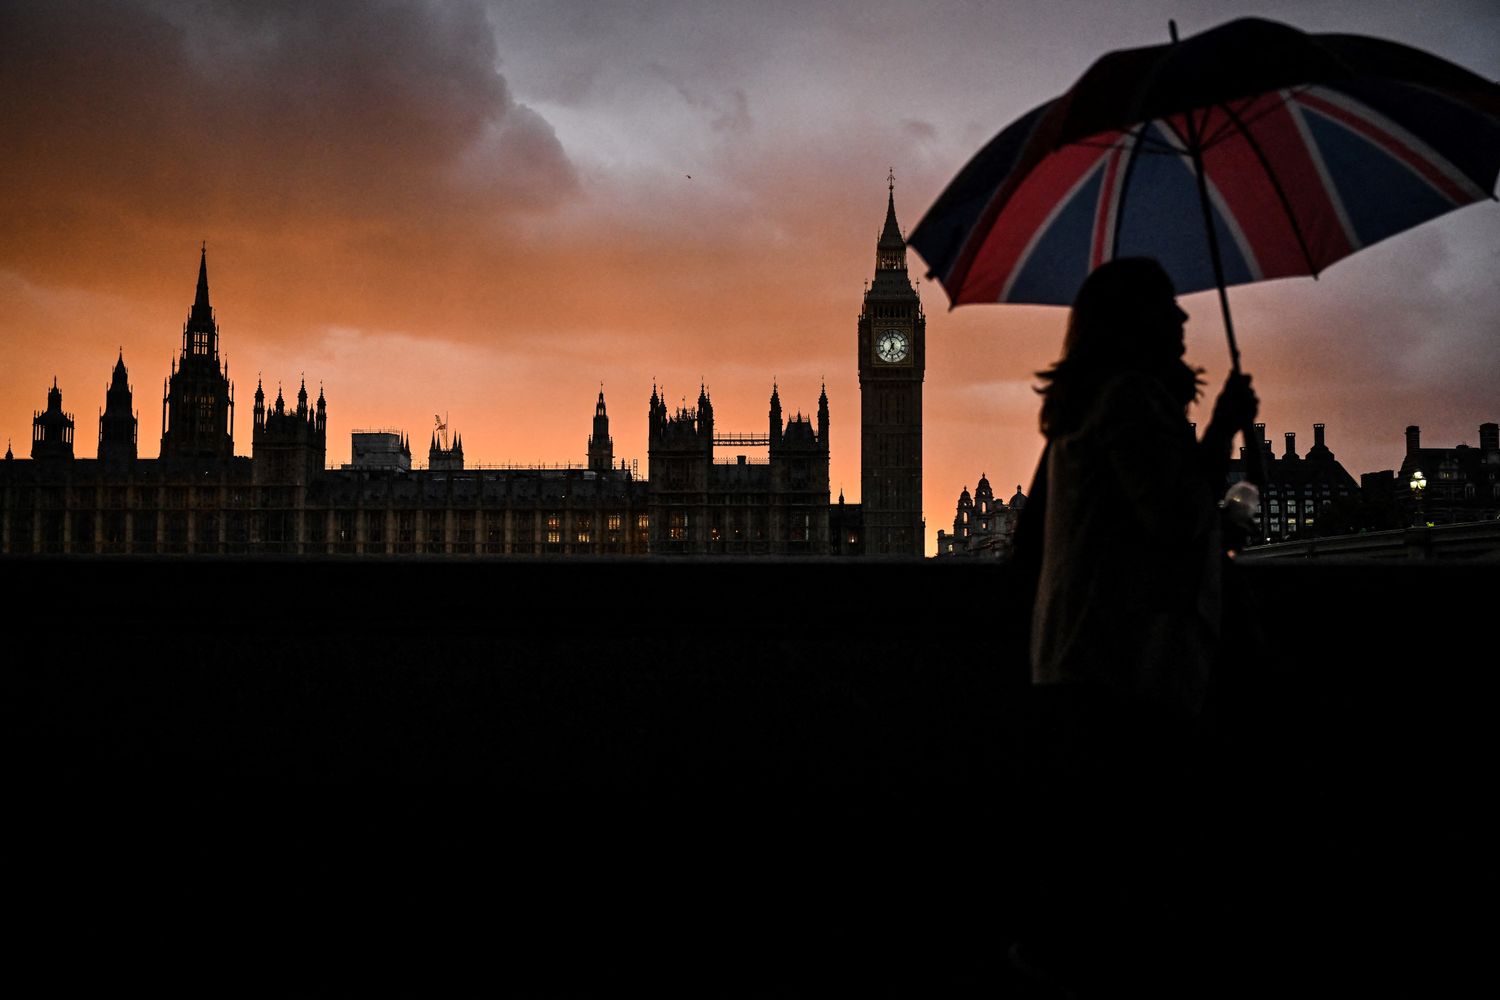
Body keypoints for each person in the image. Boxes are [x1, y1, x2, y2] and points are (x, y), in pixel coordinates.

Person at [1009, 257, 1258, 994]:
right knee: (1128, 886)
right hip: (1124, 669)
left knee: (1086, 878)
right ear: (1135, 322)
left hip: (1076, 662)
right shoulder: (1126, 403)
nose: (1184, 321)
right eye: (1168, 308)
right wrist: (1222, 431)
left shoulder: (1085, 407)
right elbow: (1176, 517)